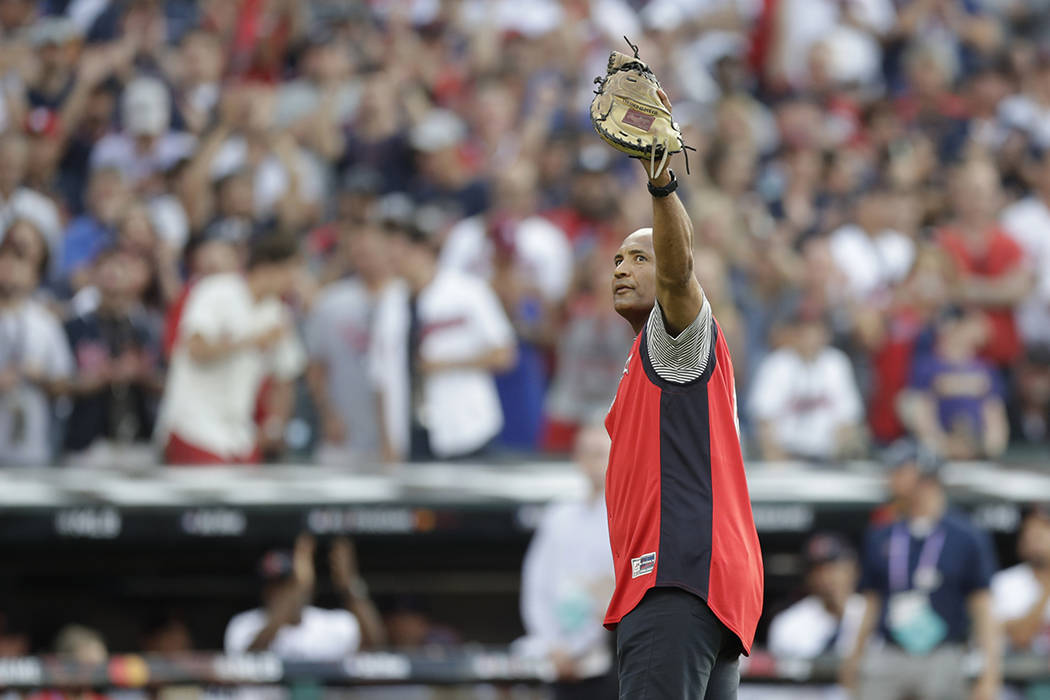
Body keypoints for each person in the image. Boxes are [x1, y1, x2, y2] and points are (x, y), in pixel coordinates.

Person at [600, 90, 763, 698]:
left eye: (637, 257)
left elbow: (678, 271)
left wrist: (662, 183)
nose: (621, 267)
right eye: (616, 259)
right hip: (713, 586)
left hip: (672, 575)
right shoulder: (651, 359)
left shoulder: (676, 341)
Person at [841, 463, 1001, 700]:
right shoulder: (882, 535)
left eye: (901, 471)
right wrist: (854, 657)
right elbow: (871, 603)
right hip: (890, 651)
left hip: (944, 652)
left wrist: (991, 674)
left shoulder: (966, 536)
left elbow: (983, 608)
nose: (892, 479)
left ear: (927, 480)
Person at [369, 219, 516, 462]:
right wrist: (387, 439)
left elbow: (505, 354)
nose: (393, 258)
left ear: (422, 249)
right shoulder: (390, 302)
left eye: (399, 249)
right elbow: (380, 376)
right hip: (411, 431)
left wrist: (446, 364)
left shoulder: (468, 291)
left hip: (466, 426)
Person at [156, 233, 306, 465]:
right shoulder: (217, 291)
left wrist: (275, 427)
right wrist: (251, 341)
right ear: (268, 267)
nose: (295, 280)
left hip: (239, 434)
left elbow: (285, 377)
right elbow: (195, 348)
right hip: (193, 426)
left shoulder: (277, 314)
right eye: (291, 270)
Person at [518, 423, 617, 699]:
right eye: (587, 453)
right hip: (558, 661)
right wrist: (553, 645)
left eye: (600, 453)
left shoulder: (626, 519)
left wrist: (584, 645)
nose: (593, 461)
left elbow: (615, 592)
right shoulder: (559, 516)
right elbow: (536, 584)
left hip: (609, 662)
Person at [306, 222, 400, 466]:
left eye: (370, 251)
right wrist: (328, 414)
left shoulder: (406, 298)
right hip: (346, 432)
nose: (364, 259)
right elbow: (316, 368)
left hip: (400, 431)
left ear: (388, 250)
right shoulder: (331, 302)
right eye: (358, 253)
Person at [63, 246, 163, 468]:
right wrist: (102, 375)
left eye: (122, 267)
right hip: (89, 441)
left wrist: (140, 373)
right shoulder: (76, 327)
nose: (114, 274)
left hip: (139, 440)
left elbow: (165, 381)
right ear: (94, 275)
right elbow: (58, 383)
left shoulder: (146, 329)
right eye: (106, 267)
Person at [225, 534, 386, 660]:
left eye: (288, 583)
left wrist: (349, 585)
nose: (283, 591)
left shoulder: (333, 623)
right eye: (274, 586)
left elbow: (377, 646)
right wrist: (297, 590)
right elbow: (247, 659)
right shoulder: (245, 625)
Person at [749, 307, 866, 461]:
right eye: (804, 331)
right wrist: (776, 460)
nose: (810, 337)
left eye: (816, 331)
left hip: (827, 458)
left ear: (826, 334)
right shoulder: (776, 364)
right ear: (793, 333)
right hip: (787, 456)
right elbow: (763, 419)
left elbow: (849, 418)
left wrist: (839, 455)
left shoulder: (836, 363)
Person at [899, 305, 1009, 460]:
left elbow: (994, 413)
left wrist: (990, 447)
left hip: (978, 452)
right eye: (972, 322)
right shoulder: (926, 367)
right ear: (952, 325)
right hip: (938, 453)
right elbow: (919, 409)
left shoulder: (988, 369)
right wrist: (939, 444)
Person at [0, 246, 73, 466]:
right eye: (4, 262)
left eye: (19, 264)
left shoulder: (44, 322)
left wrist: (42, 378)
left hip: (31, 443)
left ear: (34, 276)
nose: (9, 269)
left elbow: (65, 381)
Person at [768, 533, 868, 661]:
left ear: (853, 570)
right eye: (819, 570)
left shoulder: (872, 613)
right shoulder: (789, 622)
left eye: (834, 568)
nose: (827, 577)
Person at [992, 503, 1050, 654]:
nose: (1036, 542)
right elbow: (1020, 637)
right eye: (1030, 535)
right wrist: (1045, 590)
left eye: (1041, 534)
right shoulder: (1005, 582)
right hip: (1018, 672)